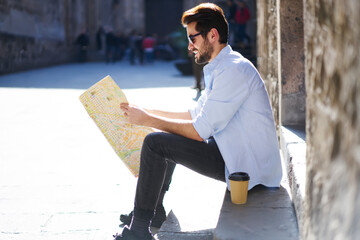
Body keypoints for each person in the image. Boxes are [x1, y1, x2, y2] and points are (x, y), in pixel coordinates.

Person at [114, 3, 282, 239]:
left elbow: (198, 130)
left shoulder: (234, 70)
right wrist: (144, 111)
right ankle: (154, 212)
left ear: (212, 35)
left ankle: (139, 230)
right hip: (232, 152)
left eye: (193, 38)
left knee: (155, 143)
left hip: (247, 167)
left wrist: (148, 120)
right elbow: (195, 113)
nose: (190, 46)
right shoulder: (220, 66)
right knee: (164, 137)